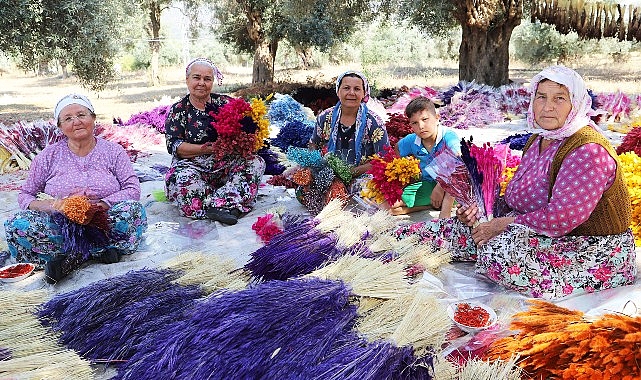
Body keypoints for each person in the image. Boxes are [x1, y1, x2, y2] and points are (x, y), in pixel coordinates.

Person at [397, 65, 635, 299]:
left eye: (560, 98)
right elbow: (517, 197)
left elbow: (563, 217)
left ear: (577, 103)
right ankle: (386, 247)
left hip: (590, 247)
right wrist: (480, 211)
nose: (548, 107)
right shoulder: (539, 138)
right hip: (532, 229)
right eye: (541, 97)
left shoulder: (587, 150)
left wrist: (502, 225)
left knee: (498, 254)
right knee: (439, 233)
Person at [4, 94, 147, 284]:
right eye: (68, 119)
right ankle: (96, 252)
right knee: (17, 224)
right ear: (60, 126)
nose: (76, 122)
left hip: (104, 218)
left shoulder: (113, 152)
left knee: (132, 212)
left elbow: (132, 189)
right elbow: (25, 196)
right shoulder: (48, 156)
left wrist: (103, 205)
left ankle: (74, 255)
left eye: (81, 115)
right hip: (60, 222)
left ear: (93, 118)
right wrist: (56, 206)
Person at [164, 58, 265, 225]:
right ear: (187, 80)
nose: (201, 83)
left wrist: (244, 141)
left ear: (213, 81)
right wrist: (207, 149)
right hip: (193, 165)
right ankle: (228, 204)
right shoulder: (178, 110)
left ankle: (218, 204)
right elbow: (175, 147)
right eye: (196, 77)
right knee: (183, 178)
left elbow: (248, 125)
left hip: (225, 163)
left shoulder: (225, 103)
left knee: (256, 163)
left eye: (207, 79)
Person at [385, 96, 458, 218]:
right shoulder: (413, 140)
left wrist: (440, 188)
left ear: (437, 118)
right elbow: (397, 147)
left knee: (456, 174)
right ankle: (430, 205)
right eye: (415, 123)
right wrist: (404, 169)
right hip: (426, 183)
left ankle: (445, 210)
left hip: (450, 186)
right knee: (391, 205)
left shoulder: (448, 137)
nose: (421, 126)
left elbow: (457, 162)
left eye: (425, 119)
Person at [308, 70, 390, 179]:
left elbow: (384, 157)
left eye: (357, 89)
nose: (351, 93)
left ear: (364, 93)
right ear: (338, 91)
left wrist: (351, 172)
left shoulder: (374, 122)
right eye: (346, 88)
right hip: (328, 177)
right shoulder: (325, 117)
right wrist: (317, 165)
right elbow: (313, 144)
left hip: (364, 182)